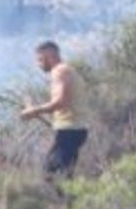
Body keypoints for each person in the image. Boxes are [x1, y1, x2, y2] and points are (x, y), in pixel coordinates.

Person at [21, 41, 89, 180]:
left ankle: (68, 201)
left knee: (50, 173)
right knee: (64, 174)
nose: (39, 64)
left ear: (49, 56)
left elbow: (60, 102)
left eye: (40, 59)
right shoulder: (67, 71)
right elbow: (66, 104)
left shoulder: (59, 71)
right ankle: (70, 200)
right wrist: (33, 109)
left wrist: (35, 110)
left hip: (70, 131)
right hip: (74, 130)